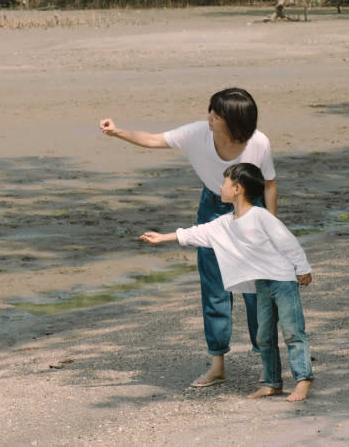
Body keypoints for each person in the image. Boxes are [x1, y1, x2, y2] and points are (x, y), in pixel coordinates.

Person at [100, 87, 277, 388]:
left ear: (235, 121)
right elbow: (155, 139)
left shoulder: (258, 143)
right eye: (210, 110)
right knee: (215, 289)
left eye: (217, 114)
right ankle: (217, 364)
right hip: (211, 208)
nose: (209, 117)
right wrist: (117, 132)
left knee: (254, 292)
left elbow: (270, 185)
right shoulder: (197, 133)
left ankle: (267, 364)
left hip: (249, 209)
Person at [140, 163, 314, 402]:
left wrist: (302, 269)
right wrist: (162, 237)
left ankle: (303, 380)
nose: (220, 186)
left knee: (293, 331)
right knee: (264, 335)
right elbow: (197, 233)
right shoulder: (225, 223)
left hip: (283, 280)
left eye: (224, 181)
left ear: (237, 189)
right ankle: (272, 383)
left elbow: (288, 242)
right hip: (261, 283)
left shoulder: (261, 216)